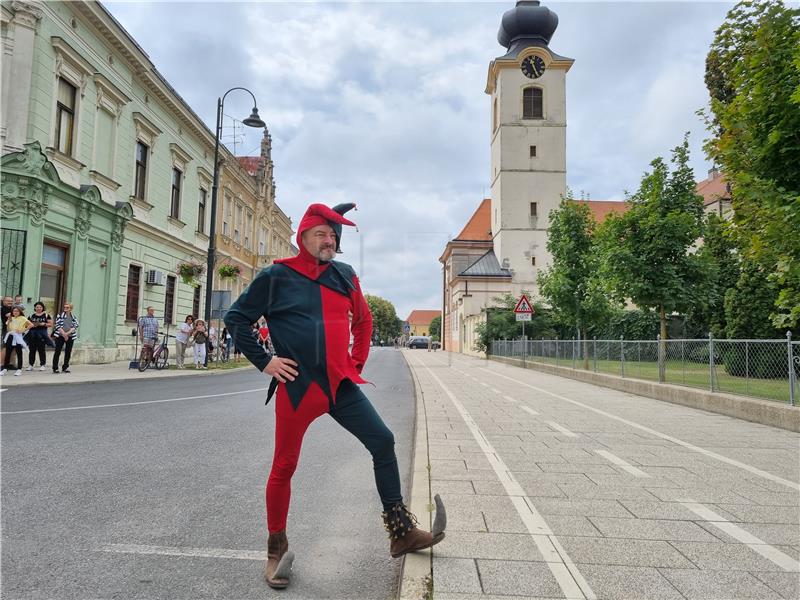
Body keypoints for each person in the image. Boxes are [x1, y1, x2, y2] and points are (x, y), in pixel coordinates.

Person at [224, 203, 445, 589]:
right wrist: (266, 362)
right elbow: (236, 319)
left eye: (332, 236)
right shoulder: (277, 275)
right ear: (304, 237)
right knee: (285, 465)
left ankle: (400, 532)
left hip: (339, 386)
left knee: (383, 441)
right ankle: (276, 547)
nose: (329, 241)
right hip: (298, 388)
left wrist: (355, 363)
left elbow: (363, 320)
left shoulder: (345, 275)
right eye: (321, 234)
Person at [1, 306, 32, 376]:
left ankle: (19, 369)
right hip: (10, 336)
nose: (15, 312)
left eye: (17, 311)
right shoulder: (11, 318)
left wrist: (22, 331)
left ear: (20, 312)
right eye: (14, 311)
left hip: (18, 336)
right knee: (8, 352)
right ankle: (5, 368)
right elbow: (8, 328)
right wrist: (9, 321)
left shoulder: (23, 318)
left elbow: (31, 325)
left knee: (19, 352)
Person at [52, 302, 78, 373]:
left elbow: (75, 326)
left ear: (71, 309)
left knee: (68, 352)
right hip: (60, 336)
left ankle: (65, 367)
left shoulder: (73, 316)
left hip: (70, 337)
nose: (65, 309)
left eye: (67, 307)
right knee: (57, 351)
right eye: (64, 307)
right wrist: (64, 334)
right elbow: (58, 325)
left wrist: (67, 334)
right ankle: (55, 368)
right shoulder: (60, 315)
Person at [26, 301, 52, 371]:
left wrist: (43, 324)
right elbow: (26, 324)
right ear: (35, 308)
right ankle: (31, 365)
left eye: (40, 307)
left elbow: (50, 324)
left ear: (42, 308)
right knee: (32, 350)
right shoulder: (31, 315)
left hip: (42, 335)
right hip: (32, 334)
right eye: (37, 307)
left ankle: (42, 365)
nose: (38, 308)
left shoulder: (46, 315)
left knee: (41, 350)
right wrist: (32, 324)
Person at [1, 296, 13, 366]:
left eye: (11, 301)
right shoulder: (3, 309)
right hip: (6, 330)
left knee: (13, 347)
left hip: (14, 330)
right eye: (8, 301)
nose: (10, 302)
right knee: (5, 347)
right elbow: (9, 315)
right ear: (4, 301)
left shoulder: (11, 308)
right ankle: (1, 364)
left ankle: (10, 363)